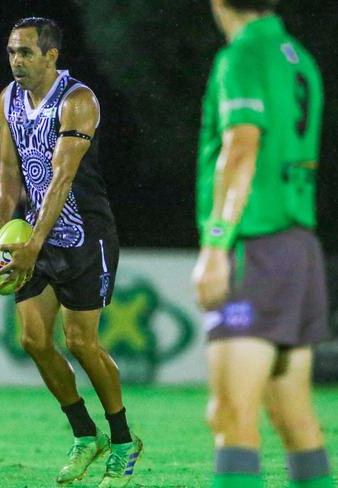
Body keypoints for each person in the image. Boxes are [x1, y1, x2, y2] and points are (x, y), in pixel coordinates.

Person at [0, 17, 142, 487]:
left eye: (26, 52)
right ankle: (84, 434)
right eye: (12, 51)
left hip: (83, 236)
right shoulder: (8, 100)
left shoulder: (77, 101)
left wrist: (33, 244)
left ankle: (124, 441)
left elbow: (61, 178)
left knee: (80, 342)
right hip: (35, 235)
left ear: (51, 55)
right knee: (32, 340)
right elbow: (9, 169)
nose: (16, 61)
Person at [192, 1, 333, 487]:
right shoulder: (298, 57)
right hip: (297, 245)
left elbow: (241, 147)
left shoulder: (243, 55)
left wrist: (215, 245)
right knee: (295, 418)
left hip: (255, 246)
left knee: (230, 415)